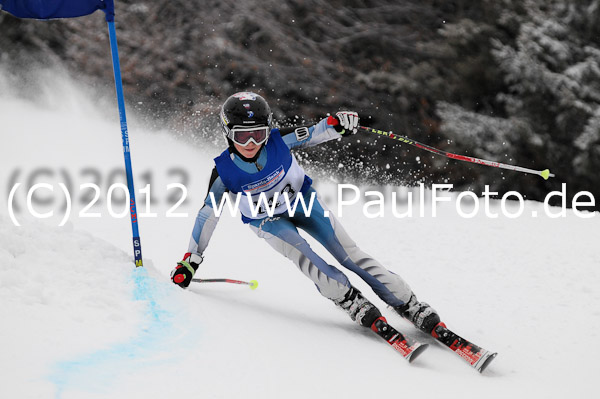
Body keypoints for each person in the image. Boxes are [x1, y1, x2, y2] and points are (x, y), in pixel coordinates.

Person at [170, 91, 441, 335]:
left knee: (349, 253)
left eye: (259, 134)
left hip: (302, 202)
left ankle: (406, 302)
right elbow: (208, 216)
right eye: (242, 135)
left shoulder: (278, 141)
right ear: (227, 132)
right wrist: (192, 258)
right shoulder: (223, 172)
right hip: (267, 221)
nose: (251, 142)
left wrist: (339, 124)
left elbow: (317, 131)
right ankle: (346, 297)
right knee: (303, 254)